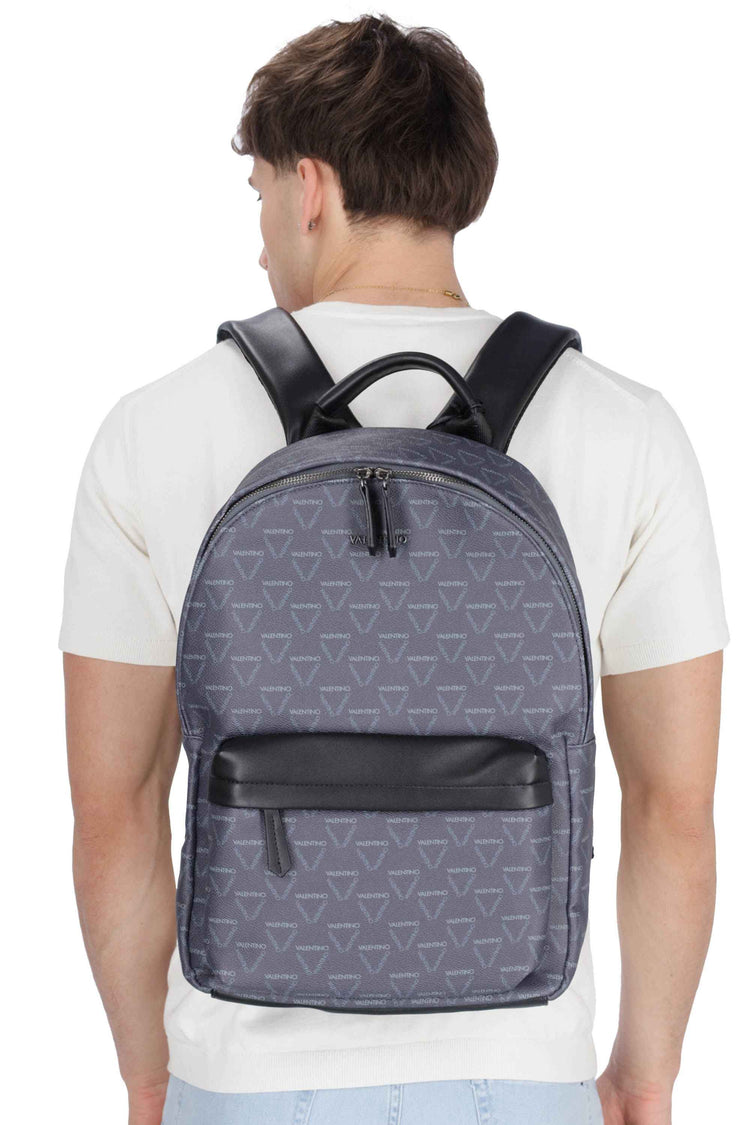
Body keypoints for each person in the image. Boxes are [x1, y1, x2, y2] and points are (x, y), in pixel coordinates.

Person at [59, 14, 729, 1125]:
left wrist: (149, 1074)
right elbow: (674, 808)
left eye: (260, 195)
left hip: (244, 1080)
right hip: (522, 1070)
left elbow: (114, 809)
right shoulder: (630, 430)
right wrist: (644, 1073)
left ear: (311, 189)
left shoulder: (151, 431)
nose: (260, 241)